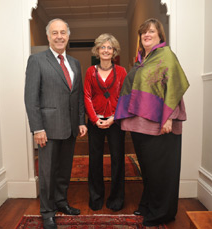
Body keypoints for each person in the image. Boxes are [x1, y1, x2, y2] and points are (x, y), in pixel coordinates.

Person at [114, 18, 189, 226]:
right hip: (140, 126)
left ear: (159, 35)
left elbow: (174, 87)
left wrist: (170, 118)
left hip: (160, 124)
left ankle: (161, 212)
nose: (147, 35)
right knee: (147, 169)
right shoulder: (141, 60)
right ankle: (148, 204)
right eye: (144, 32)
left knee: (161, 170)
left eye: (152, 32)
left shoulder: (166, 56)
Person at [24, 18, 87, 229]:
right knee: (47, 172)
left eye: (63, 32)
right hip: (47, 129)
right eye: (55, 33)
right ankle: (47, 212)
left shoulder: (75, 63)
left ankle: (61, 202)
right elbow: (31, 98)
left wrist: (80, 121)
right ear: (48, 37)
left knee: (64, 170)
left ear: (68, 36)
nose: (59, 36)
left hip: (69, 129)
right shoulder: (37, 60)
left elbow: (77, 96)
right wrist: (37, 128)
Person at [84, 34, 127, 211]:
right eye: (103, 47)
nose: (106, 50)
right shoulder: (90, 72)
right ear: (97, 50)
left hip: (115, 122)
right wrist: (95, 119)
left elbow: (125, 98)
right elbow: (86, 96)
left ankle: (116, 199)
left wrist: (113, 118)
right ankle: (96, 198)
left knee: (117, 160)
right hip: (95, 122)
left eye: (110, 47)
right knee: (95, 161)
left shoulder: (122, 71)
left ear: (114, 51)